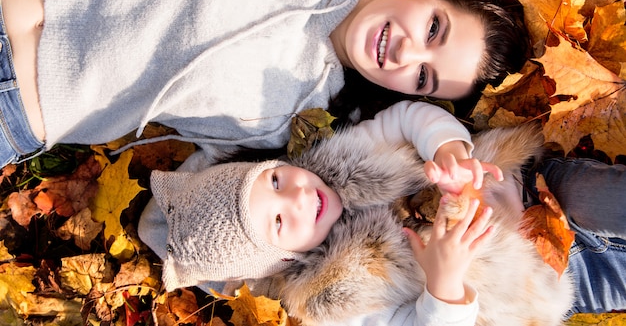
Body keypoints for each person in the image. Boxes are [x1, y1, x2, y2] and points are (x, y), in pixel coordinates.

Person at [0, 0, 529, 169]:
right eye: (434, 28)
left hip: (15, 118)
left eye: (424, 77)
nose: (407, 53)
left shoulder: (290, 126)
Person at [137, 105, 626, 325]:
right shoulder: (334, 301)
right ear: (283, 261)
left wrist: (448, 148)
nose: (300, 196)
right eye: (281, 223)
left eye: (276, 181)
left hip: (530, 183)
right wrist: (445, 287)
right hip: (554, 274)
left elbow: (408, 118)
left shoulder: (344, 158)